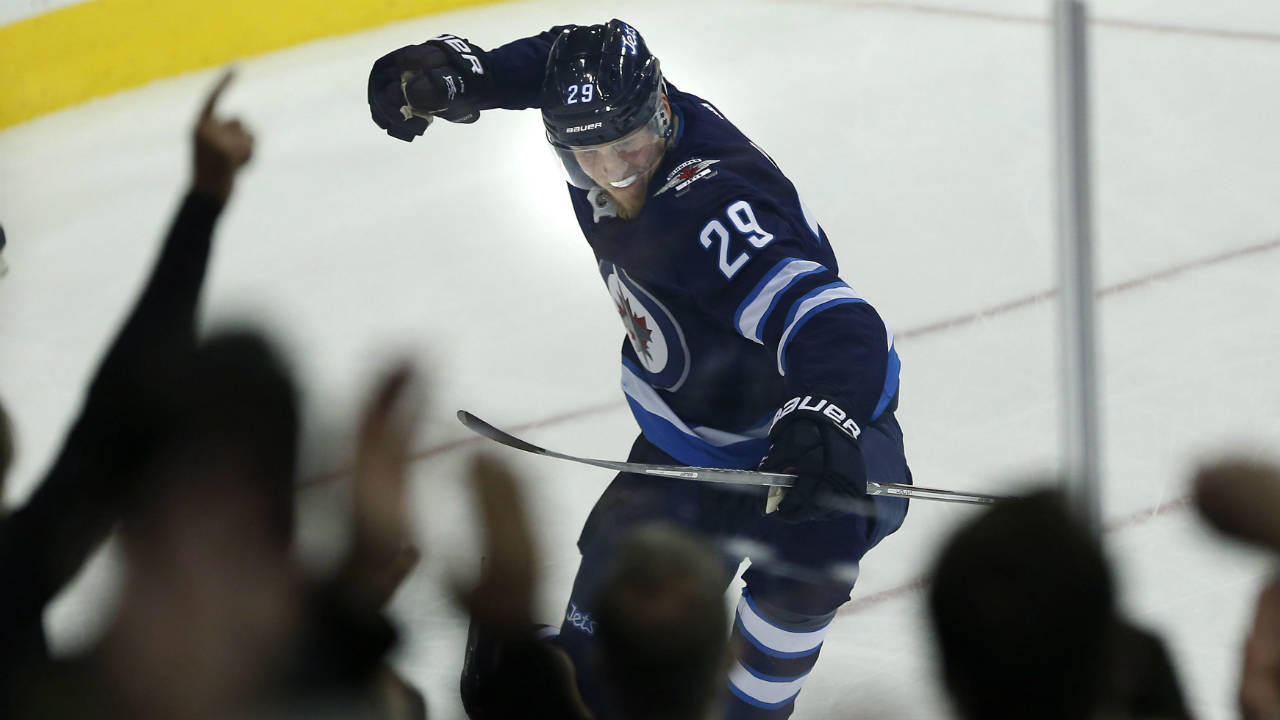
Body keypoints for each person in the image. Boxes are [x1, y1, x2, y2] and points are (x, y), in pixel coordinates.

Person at [368, 20, 910, 718]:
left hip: (806, 446)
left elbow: (836, 320)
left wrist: (823, 415)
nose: (615, 172)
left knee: (813, 548)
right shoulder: (610, 118)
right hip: (687, 450)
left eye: (628, 147)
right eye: (588, 155)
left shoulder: (712, 206)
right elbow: (560, 61)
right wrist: (465, 73)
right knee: (576, 693)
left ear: (660, 109)